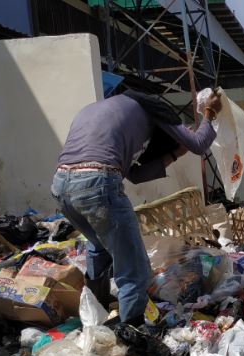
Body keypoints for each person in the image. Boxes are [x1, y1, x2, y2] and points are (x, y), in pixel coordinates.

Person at [52, 89, 223, 326]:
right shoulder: (151, 108)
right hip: (98, 183)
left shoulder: (104, 110)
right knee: (134, 269)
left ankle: (96, 316)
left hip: (61, 186)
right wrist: (210, 111)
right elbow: (198, 144)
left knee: (99, 247)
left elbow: (135, 175)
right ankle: (133, 333)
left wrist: (175, 154)